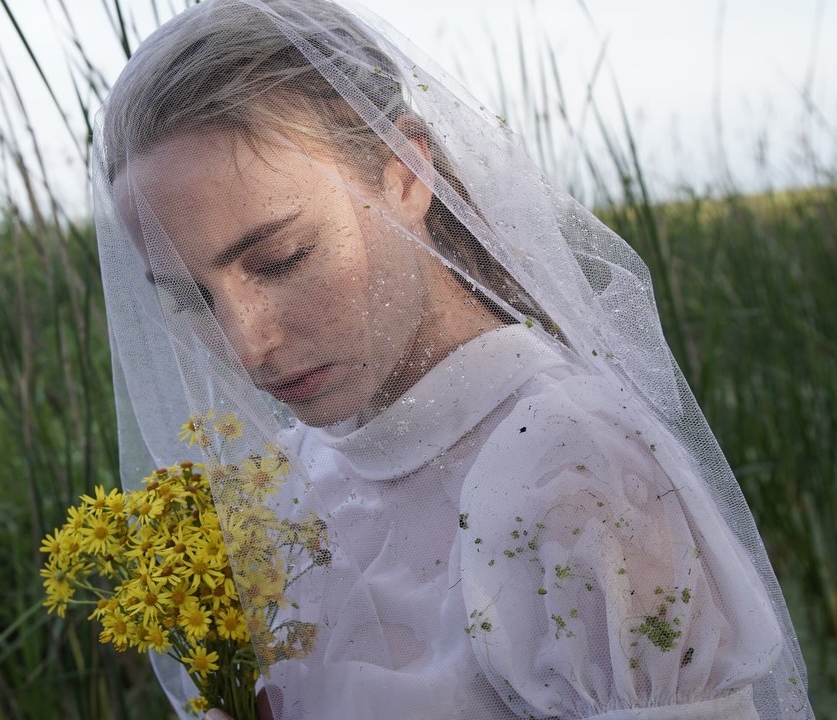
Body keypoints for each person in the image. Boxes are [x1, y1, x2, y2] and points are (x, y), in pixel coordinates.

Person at [90, 0, 815, 718]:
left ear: (405, 174)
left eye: (281, 259)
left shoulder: (569, 473)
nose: (248, 347)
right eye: (191, 300)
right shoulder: (278, 491)